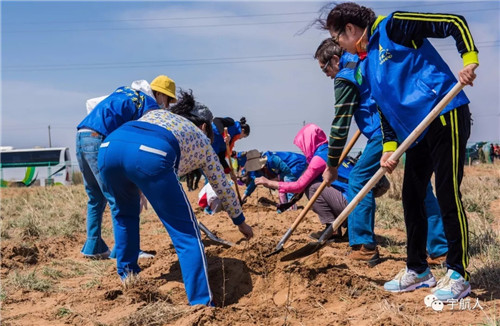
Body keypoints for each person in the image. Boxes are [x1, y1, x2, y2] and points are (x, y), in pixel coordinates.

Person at [322, 2, 477, 300]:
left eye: (337, 38)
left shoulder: (394, 26)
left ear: (351, 30)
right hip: (416, 133)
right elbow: (383, 107)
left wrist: (469, 59)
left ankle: (459, 272)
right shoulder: (366, 64)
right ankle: (418, 270)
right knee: (411, 196)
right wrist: (389, 148)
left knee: (446, 192)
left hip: (445, 114)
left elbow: (453, 21)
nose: (338, 45)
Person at [97, 89, 253, 306]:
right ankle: (201, 303)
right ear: (205, 126)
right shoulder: (200, 138)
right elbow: (222, 186)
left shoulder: (156, 115)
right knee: (187, 233)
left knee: (125, 217)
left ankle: (128, 278)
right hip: (152, 154)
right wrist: (240, 221)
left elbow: (134, 148)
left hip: (109, 148)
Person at [315, 38, 447, 266]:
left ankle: (364, 246)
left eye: (324, 68)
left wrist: (332, 165)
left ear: (335, 59)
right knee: (420, 184)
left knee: (358, 179)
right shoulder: (363, 62)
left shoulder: (344, 76)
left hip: (383, 131)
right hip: (406, 123)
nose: (326, 74)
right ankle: (440, 250)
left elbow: (340, 124)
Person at [76, 75, 177, 259]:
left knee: (95, 197)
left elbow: (91, 103)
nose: (167, 106)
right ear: (160, 95)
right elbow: (143, 138)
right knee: (121, 197)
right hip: (98, 140)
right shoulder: (148, 104)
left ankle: (94, 246)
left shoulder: (125, 92)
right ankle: (127, 250)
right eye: (168, 100)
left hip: (82, 135)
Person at [255, 124, 350, 239]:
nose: (302, 149)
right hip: (355, 204)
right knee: (316, 184)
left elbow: (299, 185)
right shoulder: (330, 151)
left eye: (303, 145)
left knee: (311, 187)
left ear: (309, 142)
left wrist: (268, 183)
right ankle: (345, 229)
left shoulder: (319, 158)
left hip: (350, 206)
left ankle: (332, 229)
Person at [241, 150, 307, 209]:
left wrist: (272, 180)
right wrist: (243, 198)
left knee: (287, 180)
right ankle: (284, 206)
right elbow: (253, 183)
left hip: (297, 163)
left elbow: (287, 171)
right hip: (286, 171)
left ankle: (292, 206)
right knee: (281, 186)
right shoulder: (258, 171)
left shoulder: (273, 159)